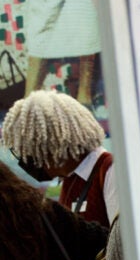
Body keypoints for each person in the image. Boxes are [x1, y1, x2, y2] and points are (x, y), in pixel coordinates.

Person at [1, 90, 116, 227]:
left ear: (51, 147)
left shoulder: (110, 171)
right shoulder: (70, 181)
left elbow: (121, 240)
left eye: (31, 153)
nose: (28, 161)